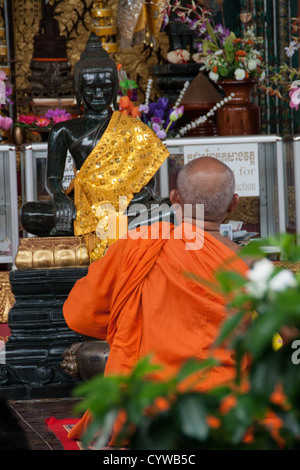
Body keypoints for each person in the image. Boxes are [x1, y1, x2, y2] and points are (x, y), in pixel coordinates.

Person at [63, 156, 252, 444]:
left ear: (174, 199)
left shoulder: (138, 244)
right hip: (216, 407)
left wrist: (133, 323)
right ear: (233, 203)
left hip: (138, 407)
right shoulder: (249, 264)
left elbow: (80, 314)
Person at [20, 32, 169, 261]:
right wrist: (59, 197)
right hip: (83, 206)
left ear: (115, 88)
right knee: (30, 213)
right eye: (90, 88)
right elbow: (52, 179)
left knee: (164, 211)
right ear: (79, 90)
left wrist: (132, 199)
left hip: (123, 206)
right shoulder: (63, 130)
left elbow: (149, 183)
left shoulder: (132, 127)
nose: (98, 94)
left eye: (105, 87)